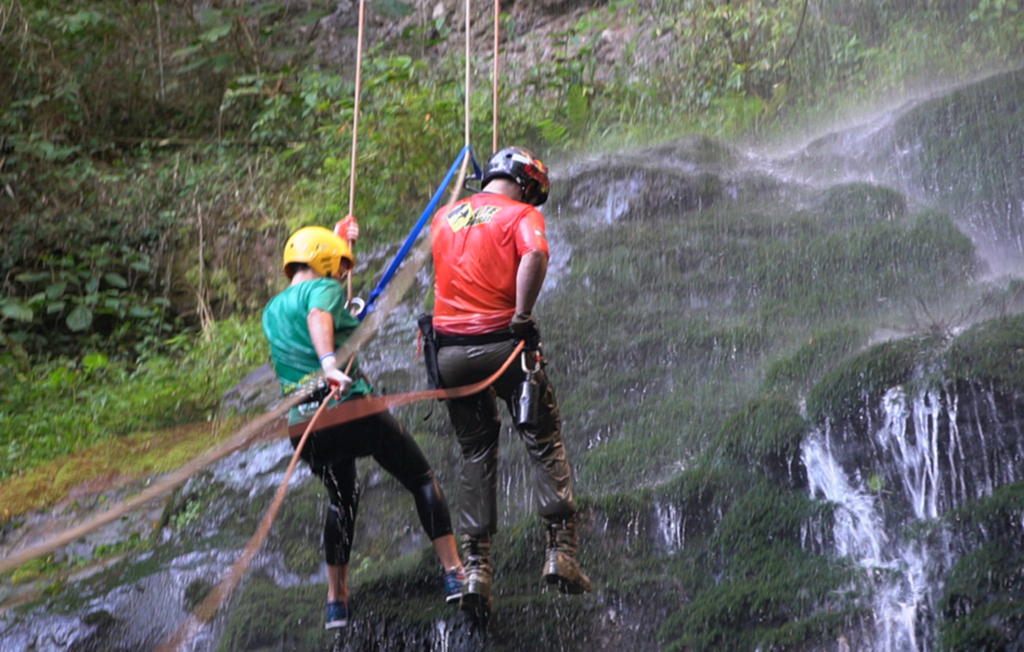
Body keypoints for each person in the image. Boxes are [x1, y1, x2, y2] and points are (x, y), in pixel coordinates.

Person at [262, 224, 464, 630]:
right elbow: (319, 314)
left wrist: (338, 238)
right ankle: (455, 572)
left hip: (305, 424)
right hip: (350, 407)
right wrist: (330, 365)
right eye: (336, 268)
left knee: (342, 499)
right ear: (322, 262)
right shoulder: (324, 293)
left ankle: (336, 600)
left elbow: (320, 316)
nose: (339, 277)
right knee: (422, 478)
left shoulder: (273, 309)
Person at [429, 146, 591, 616]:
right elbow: (535, 256)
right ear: (523, 183)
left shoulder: (444, 217)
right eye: (533, 192)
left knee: (476, 451)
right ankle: (561, 553)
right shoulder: (520, 215)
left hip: (450, 354)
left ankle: (477, 568)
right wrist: (521, 315)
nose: (533, 202)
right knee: (542, 440)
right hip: (505, 344)